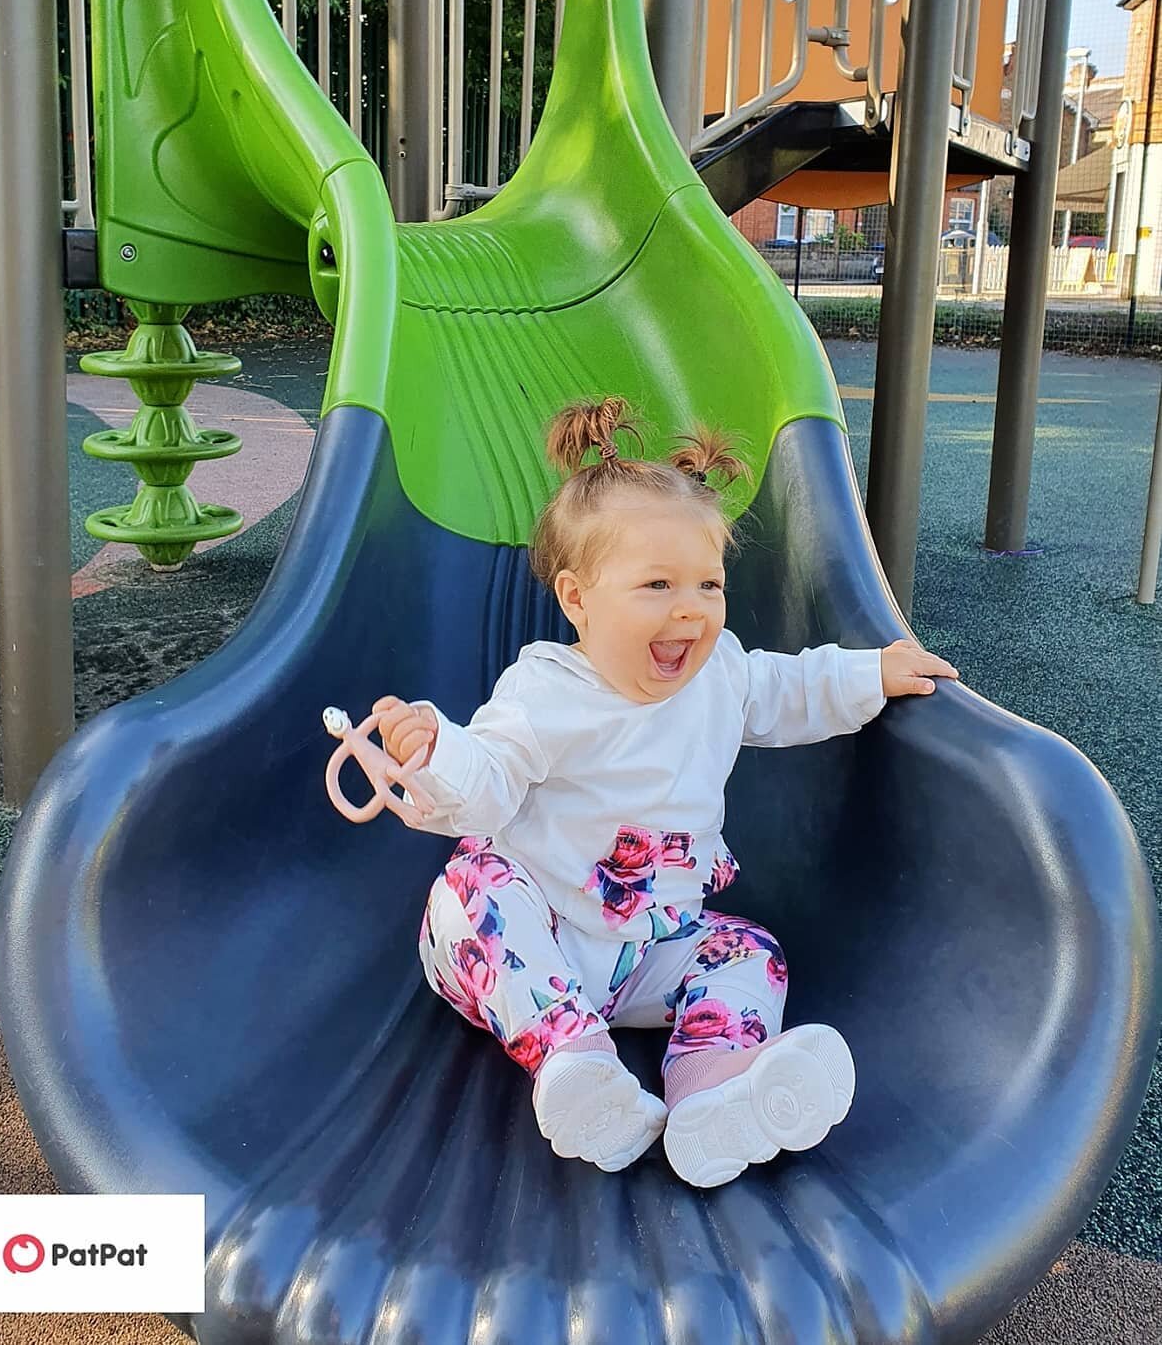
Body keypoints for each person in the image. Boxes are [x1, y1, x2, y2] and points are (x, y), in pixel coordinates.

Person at [369, 396, 958, 1188]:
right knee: (473, 889)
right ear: (578, 598)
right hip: (527, 953)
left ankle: (711, 1089)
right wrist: (438, 752)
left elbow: (788, 689)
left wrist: (870, 672)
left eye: (708, 584)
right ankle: (576, 1066)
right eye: (656, 584)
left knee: (749, 950)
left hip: (645, 954)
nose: (691, 607)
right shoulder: (545, 689)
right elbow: (487, 784)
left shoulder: (719, 674)